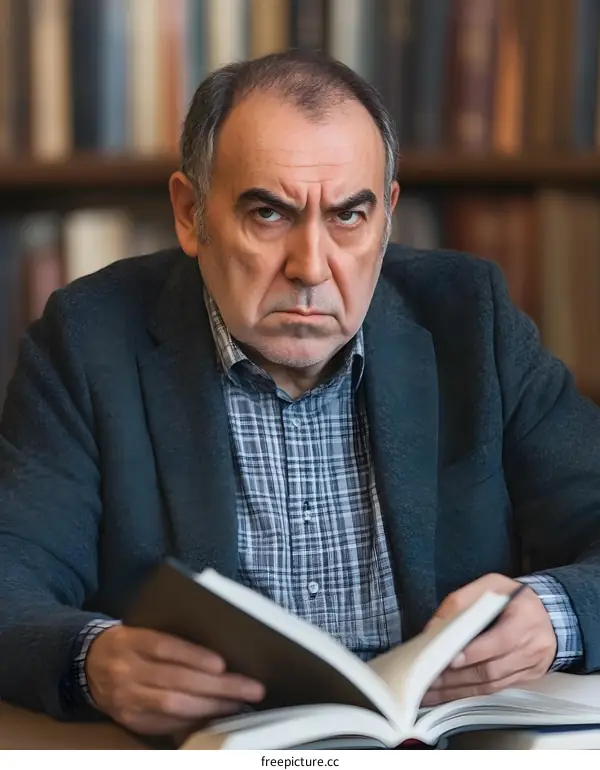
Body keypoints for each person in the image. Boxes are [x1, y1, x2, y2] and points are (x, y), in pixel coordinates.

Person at [1, 50, 600, 738]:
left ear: (387, 216)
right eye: (268, 213)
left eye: (349, 216)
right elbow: (10, 580)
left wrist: (558, 618)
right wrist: (94, 660)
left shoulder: (472, 319)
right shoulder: (88, 338)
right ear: (191, 214)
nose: (312, 267)